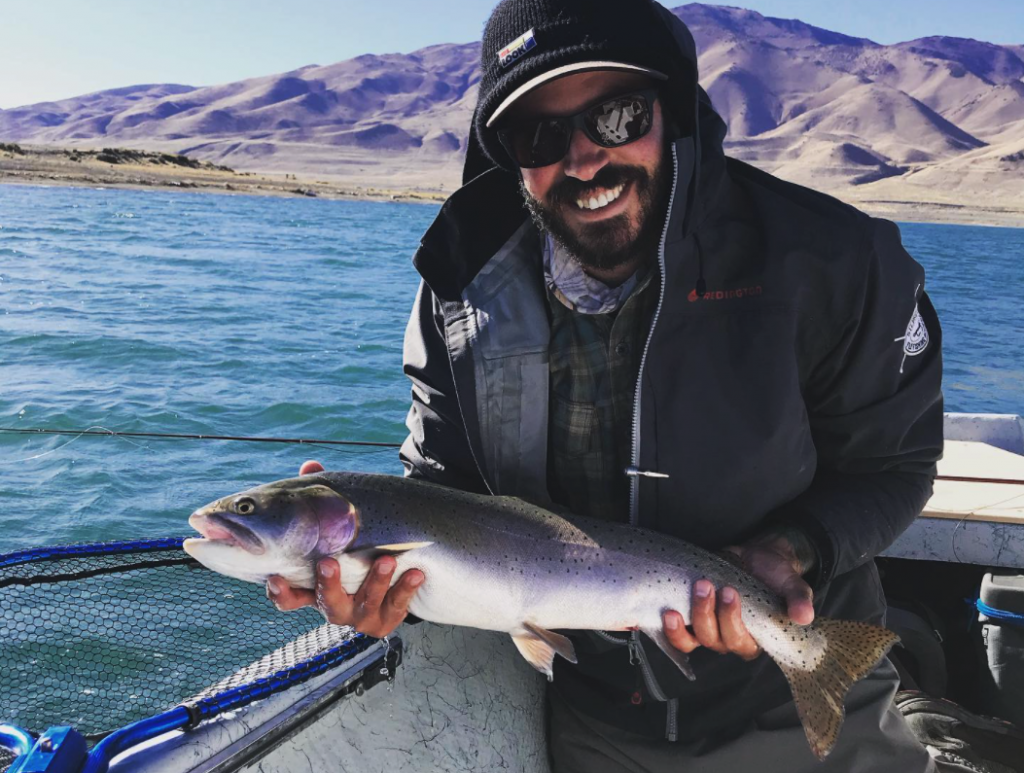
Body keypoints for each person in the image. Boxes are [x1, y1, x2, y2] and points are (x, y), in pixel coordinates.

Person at [267, 0, 945, 769]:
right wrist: (377, 585)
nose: (585, 160)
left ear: (676, 109)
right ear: (506, 154)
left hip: (792, 707)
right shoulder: (458, 290)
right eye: (540, 135)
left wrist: (791, 551)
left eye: (618, 116)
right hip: (593, 720)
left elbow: (893, 466)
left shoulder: (836, 262)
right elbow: (446, 489)